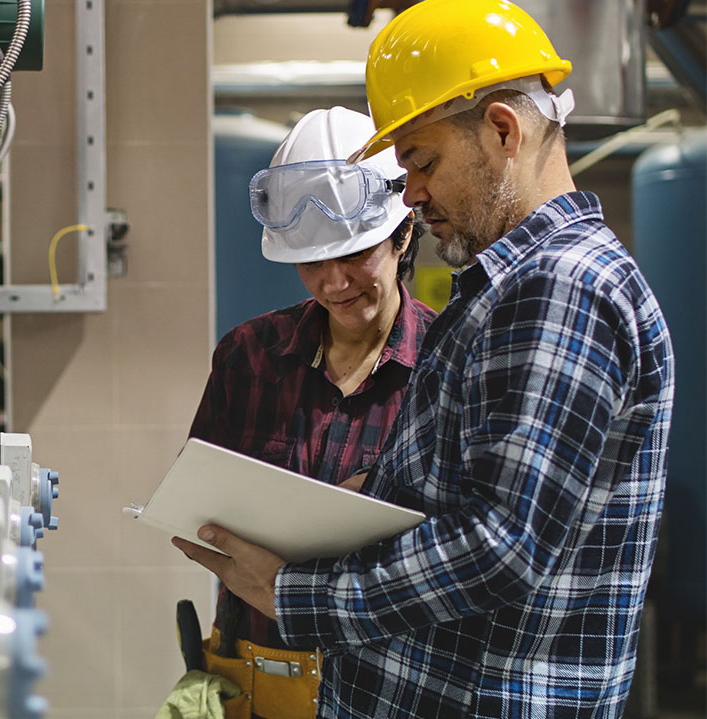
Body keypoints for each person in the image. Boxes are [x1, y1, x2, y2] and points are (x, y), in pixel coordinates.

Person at [173, 1, 676, 718]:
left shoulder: (561, 286)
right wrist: (366, 493)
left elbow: (500, 543)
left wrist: (290, 592)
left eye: (422, 160)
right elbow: (472, 489)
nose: (411, 193)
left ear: (503, 128)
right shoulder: (504, 291)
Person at [184, 106, 437, 719]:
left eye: (354, 256)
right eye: (311, 263)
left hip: (388, 687)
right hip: (248, 677)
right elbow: (199, 502)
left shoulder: (446, 365)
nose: (332, 283)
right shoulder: (248, 358)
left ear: (403, 235)